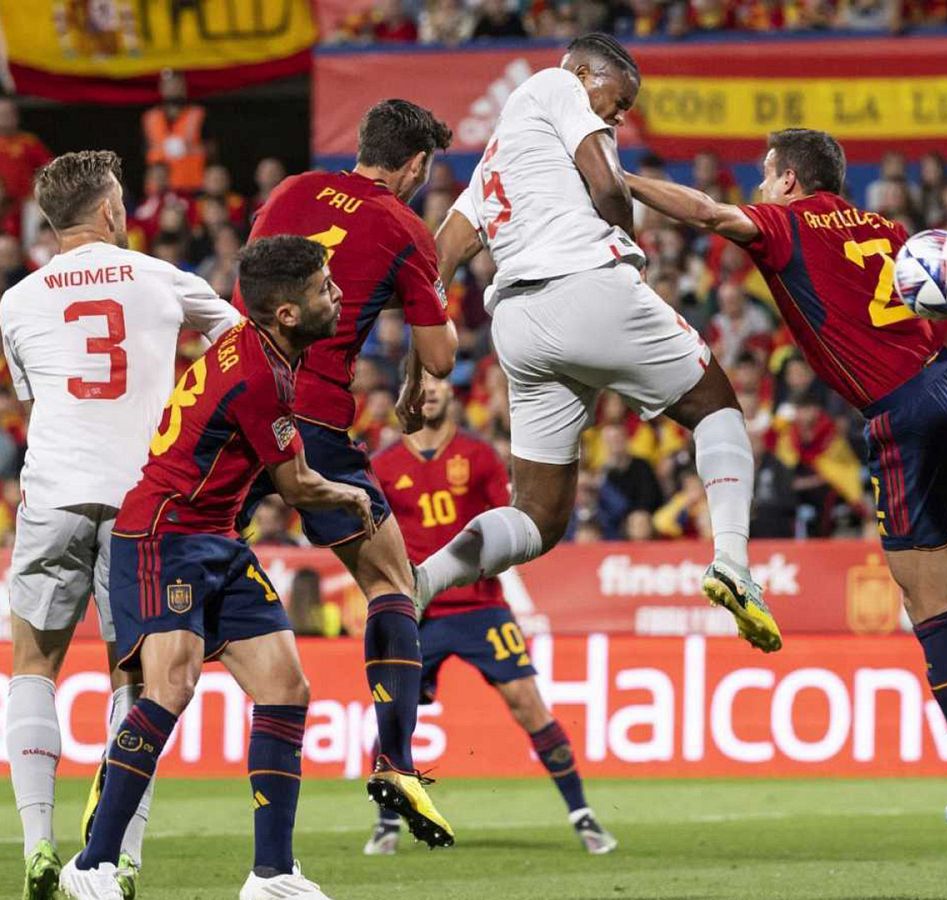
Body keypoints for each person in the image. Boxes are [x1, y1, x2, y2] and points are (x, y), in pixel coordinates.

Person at [625, 126, 947, 826]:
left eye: (765, 174)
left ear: (789, 179)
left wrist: (623, 178)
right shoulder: (888, 227)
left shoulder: (783, 223)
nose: (760, 187)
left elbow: (703, 211)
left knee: (931, 605)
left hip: (903, 411)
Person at [417, 34, 778, 655]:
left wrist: (413, 370)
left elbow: (437, 263)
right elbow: (609, 185)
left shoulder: (496, 163)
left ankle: (421, 580)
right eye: (619, 98)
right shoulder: (557, 84)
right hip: (586, 286)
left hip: (519, 328)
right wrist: (626, 254)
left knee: (538, 516)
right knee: (715, 404)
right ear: (584, 72)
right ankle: (732, 562)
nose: (619, 114)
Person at [61, 236, 365, 900]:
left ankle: (272, 874)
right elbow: (301, 484)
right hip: (164, 534)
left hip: (216, 536)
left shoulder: (266, 353)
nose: (336, 295)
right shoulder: (261, 375)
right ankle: (92, 865)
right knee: (170, 687)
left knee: (286, 688)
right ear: (285, 313)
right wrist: (358, 498)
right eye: (322, 288)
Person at [1, 150, 241, 900]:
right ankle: (117, 858)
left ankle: (37, 847)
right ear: (109, 211)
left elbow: (39, 396)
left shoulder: (17, 301)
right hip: (146, 504)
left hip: (52, 497)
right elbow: (244, 351)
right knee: (134, 675)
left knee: (33, 664)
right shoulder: (164, 279)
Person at [238, 98, 459, 846]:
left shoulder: (289, 191)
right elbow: (438, 360)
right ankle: (395, 761)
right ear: (417, 165)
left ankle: (115, 785)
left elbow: (253, 291)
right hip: (316, 422)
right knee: (391, 585)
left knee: (169, 583)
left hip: (233, 409)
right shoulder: (405, 227)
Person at [365, 373, 617, 856]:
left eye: (438, 382)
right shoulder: (384, 465)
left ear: (452, 395)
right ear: (407, 397)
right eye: (421, 384)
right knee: (392, 716)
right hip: (420, 611)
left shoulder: (478, 456)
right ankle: (386, 824)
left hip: (482, 606)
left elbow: (509, 524)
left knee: (528, 703)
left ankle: (582, 814)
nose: (431, 390)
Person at [140, 70, 206, 194]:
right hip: (158, 188)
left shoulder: (197, 114)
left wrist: (187, 148)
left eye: (178, 85)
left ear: (184, 88)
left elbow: (212, 148)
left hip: (191, 186)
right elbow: (143, 151)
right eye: (170, 85)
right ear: (161, 88)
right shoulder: (150, 117)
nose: (174, 89)